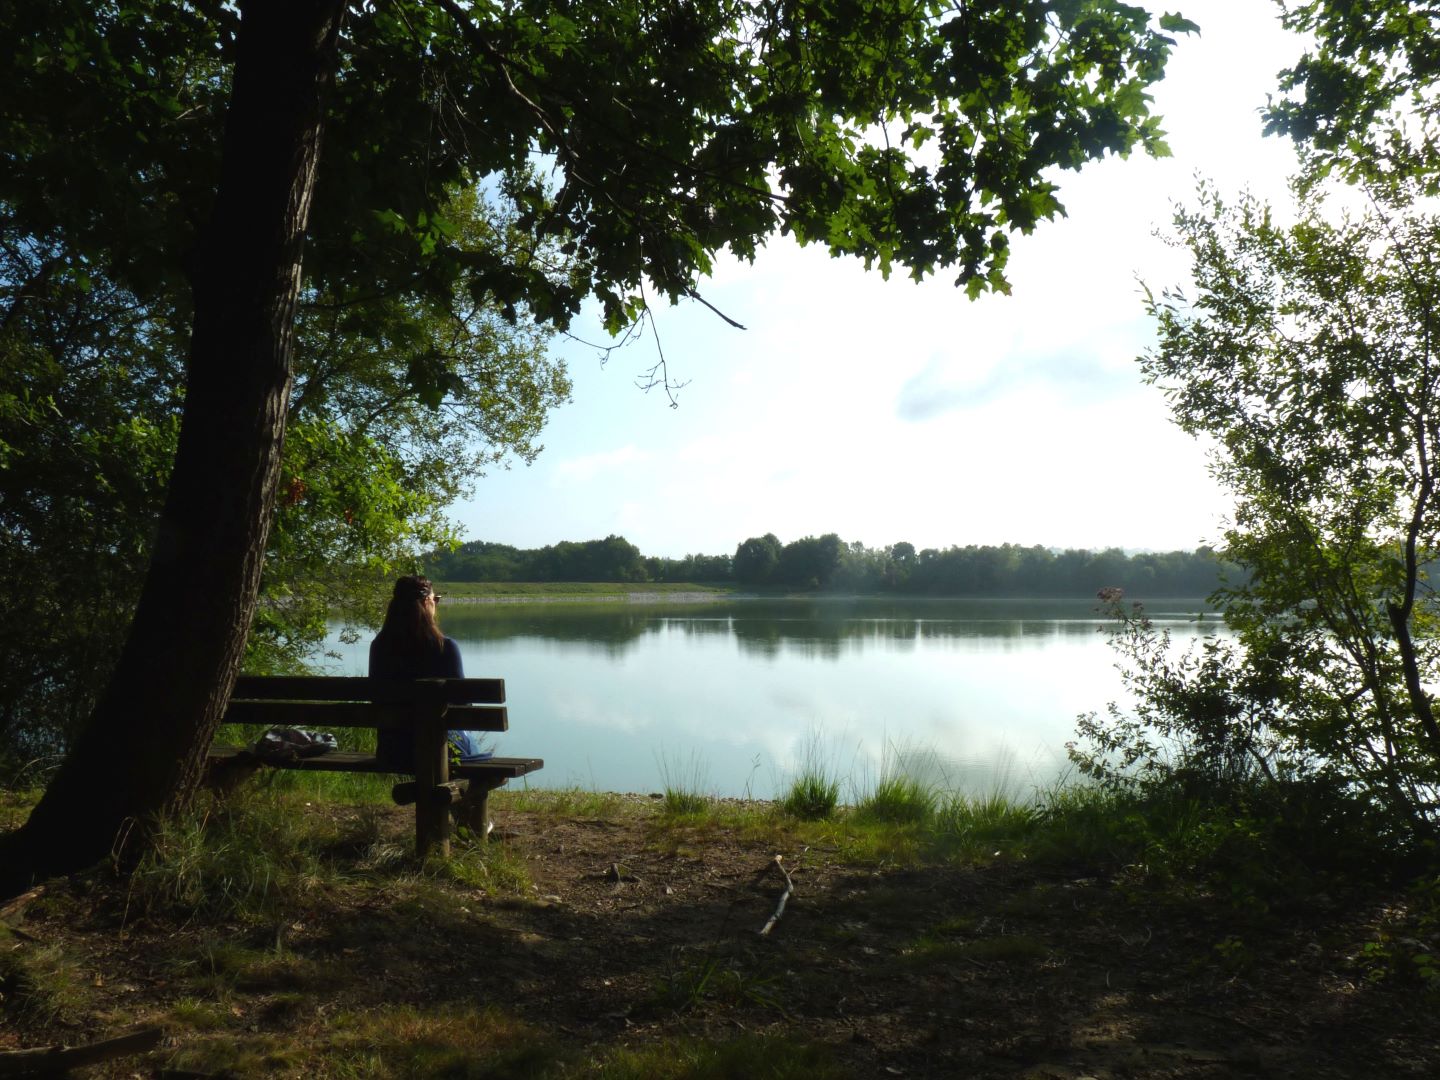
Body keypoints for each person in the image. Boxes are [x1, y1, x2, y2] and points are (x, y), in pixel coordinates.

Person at [369, 574, 488, 771]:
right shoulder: (445, 647)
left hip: (393, 750)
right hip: (440, 749)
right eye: (435, 599)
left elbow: (377, 698)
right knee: (465, 742)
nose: (436, 604)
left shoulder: (379, 646)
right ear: (426, 602)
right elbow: (463, 705)